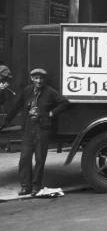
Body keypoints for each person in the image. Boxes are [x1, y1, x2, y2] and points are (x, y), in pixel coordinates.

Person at [0, 68, 69, 196]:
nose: (39, 81)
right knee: (25, 158)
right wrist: (6, 121)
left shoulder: (50, 92)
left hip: (42, 129)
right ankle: (26, 186)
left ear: (45, 80)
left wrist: (51, 113)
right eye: (36, 78)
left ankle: (36, 187)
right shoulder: (27, 90)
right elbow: (17, 106)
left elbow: (64, 103)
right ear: (32, 79)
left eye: (41, 78)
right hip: (28, 129)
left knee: (39, 159)